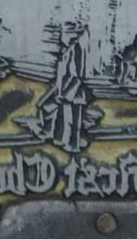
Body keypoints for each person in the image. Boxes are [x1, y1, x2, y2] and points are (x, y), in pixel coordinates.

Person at [35, 22, 100, 152]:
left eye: (63, 35)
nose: (60, 38)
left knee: (71, 118)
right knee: (65, 116)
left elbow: (75, 75)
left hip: (72, 91)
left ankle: (71, 143)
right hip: (65, 90)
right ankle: (63, 139)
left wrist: (65, 92)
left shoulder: (74, 51)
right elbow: (62, 75)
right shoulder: (65, 51)